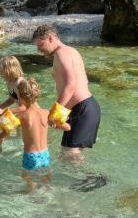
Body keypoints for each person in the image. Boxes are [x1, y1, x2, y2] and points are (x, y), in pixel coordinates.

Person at [31, 23, 101, 159]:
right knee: (72, 155)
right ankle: (88, 179)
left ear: (50, 38)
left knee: (68, 154)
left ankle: (95, 180)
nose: (39, 50)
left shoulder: (61, 54)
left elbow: (71, 85)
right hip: (86, 108)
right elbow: (83, 81)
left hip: (82, 109)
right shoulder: (71, 51)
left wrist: (55, 112)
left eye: (40, 45)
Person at [12, 77, 70, 191]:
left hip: (30, 155)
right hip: (45, 154)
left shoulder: (22, 116)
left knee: (27, 177)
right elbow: (67, 128)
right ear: (37, 95)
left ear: (21, 97)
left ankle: (32, 197)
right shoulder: (46, 113)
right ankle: (47, 194)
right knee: (45, 178)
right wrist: (58, 120)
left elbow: (7, 128)